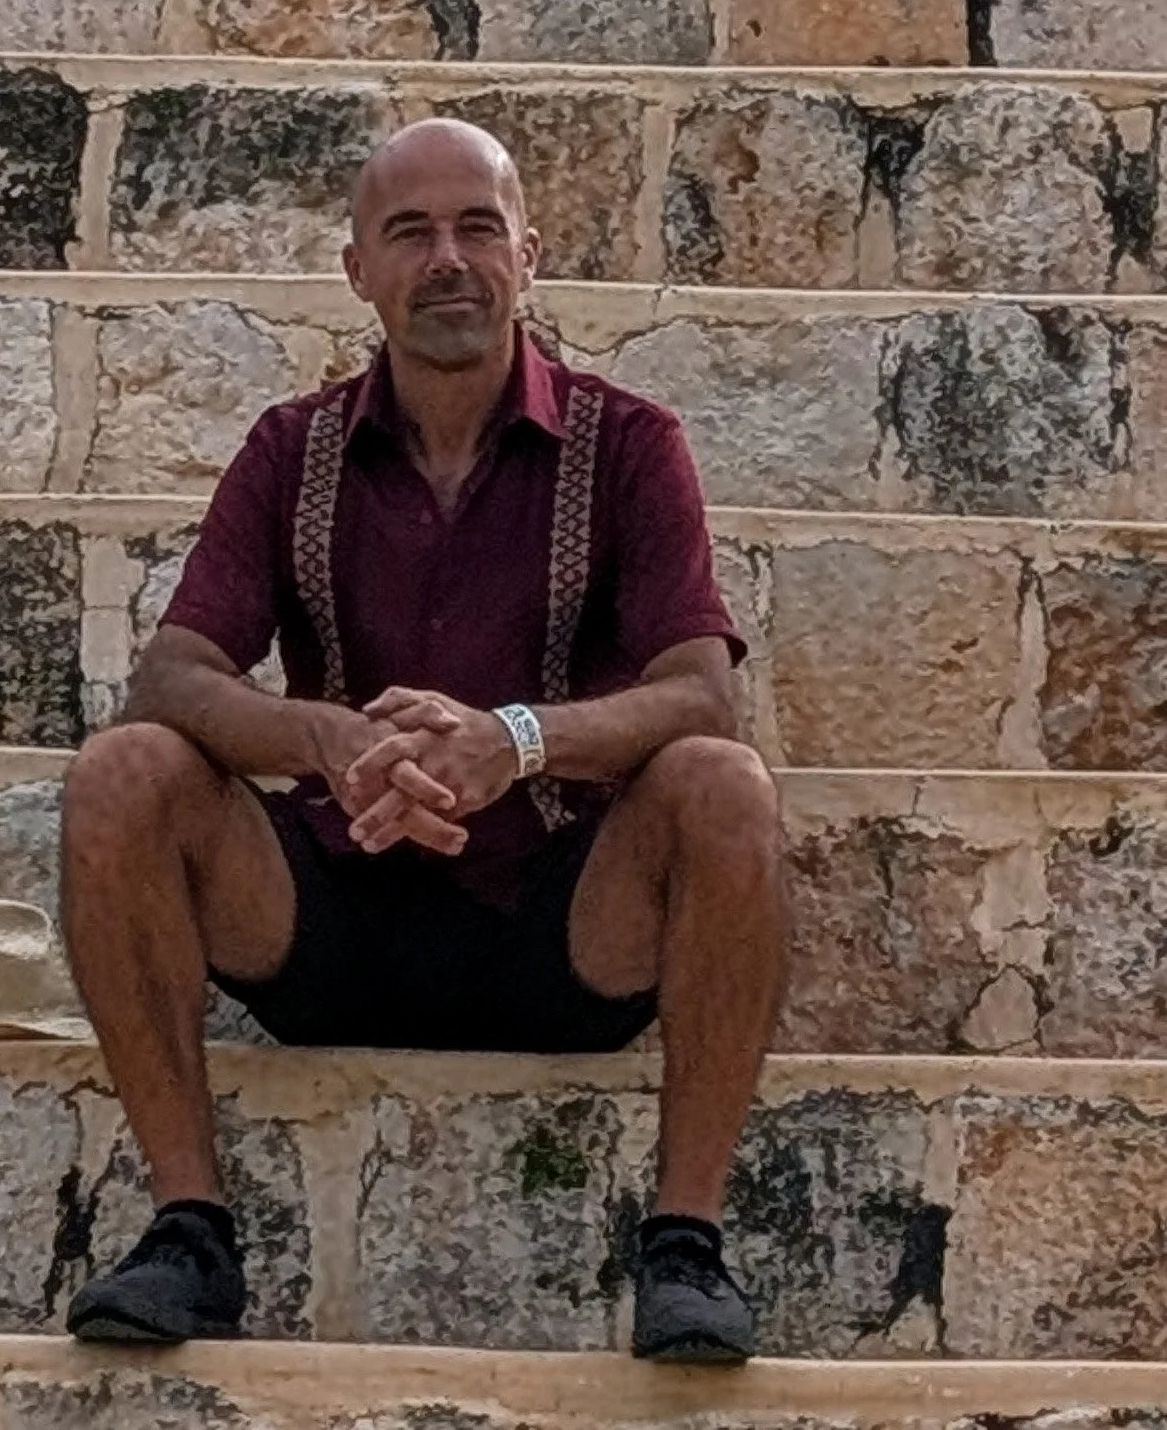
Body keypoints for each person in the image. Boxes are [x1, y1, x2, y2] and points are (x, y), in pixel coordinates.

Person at [60, 118, 789, 1362]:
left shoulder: (632, 444)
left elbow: (701, 693)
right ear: (358, 270)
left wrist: (515, 740)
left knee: (722, 784)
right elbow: (174, 675)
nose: (448, 259)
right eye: (411, 233)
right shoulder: (293, 449)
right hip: (332, 916)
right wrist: (328, 740)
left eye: (477, 227)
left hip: (558, 930)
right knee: (121, 770)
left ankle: (684, 1246)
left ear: (528, 254)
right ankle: (190, 1232)